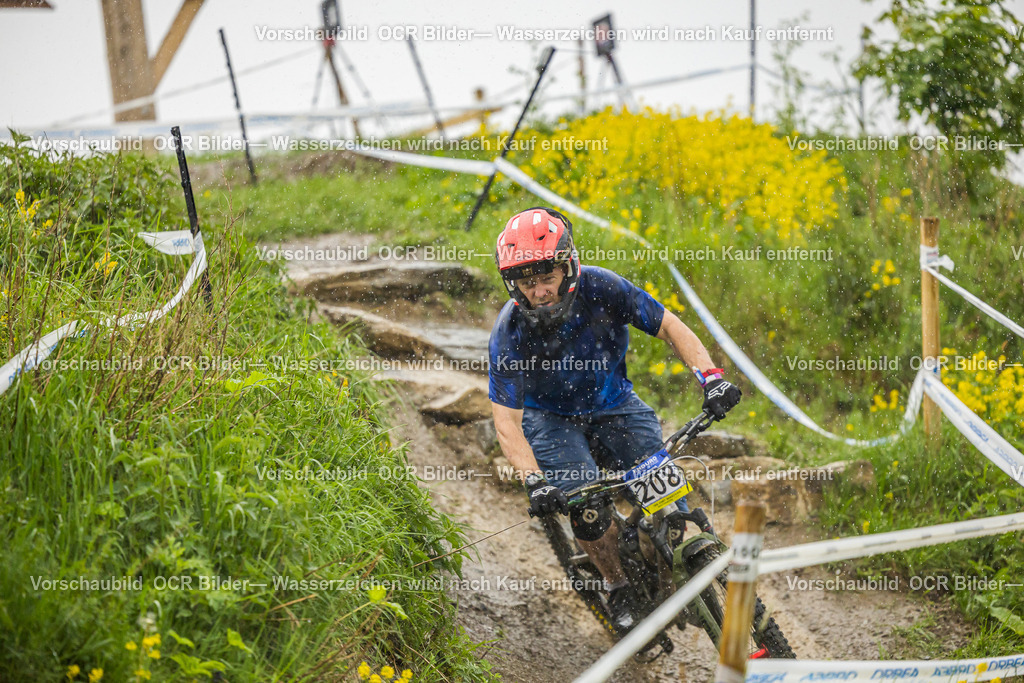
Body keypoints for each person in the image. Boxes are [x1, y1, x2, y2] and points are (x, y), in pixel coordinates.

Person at [487, 206, 742, 633]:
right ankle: (618, 584)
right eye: (527, 283)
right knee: (586, 508)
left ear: (568, 265)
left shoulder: (603, 287)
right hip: (551, 420)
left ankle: (687, 556)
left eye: (547, 277)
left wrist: (711, 379)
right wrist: (534, 480)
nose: (540, 292)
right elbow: (507, 422)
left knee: (668, 498)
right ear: (513, 285)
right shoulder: (509, 332)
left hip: (615, 405)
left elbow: (669, 327)